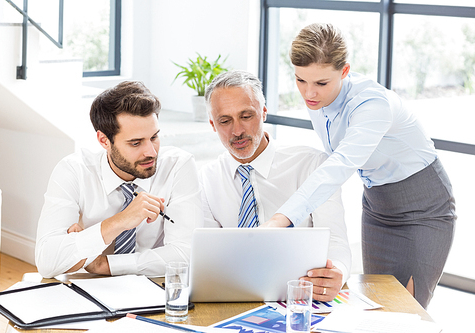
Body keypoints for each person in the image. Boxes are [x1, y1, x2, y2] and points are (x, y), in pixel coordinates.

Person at [263, 23, 456, 308]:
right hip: (378, 206)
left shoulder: (372, 104)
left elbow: (340, 165)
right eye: (300, 80)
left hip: (423, 208)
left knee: (405, 309)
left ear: (344, 71)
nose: (309, 93)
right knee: (377, 306)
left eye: (320, 83)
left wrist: (280, 220)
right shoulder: (317, 96)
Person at [200, 70, 352, 302]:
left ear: (264, 113)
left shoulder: (312, 164)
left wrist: (337, 273)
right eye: (225, 121)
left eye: (246, 116)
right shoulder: (207, 179)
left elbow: (336, 240)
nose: (237, 131)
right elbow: (208, 258)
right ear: (212, 124)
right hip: (233, 297)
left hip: (300, 296)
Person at [35, 81, 203, 278]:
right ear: (104, 140)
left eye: (154, 137)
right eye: (136, 143)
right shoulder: (74, 171)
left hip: (154, 289)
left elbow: (187, 256)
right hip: (88, 288)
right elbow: (47, 262)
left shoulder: (178, 166)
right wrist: (118, 222)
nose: (151, 152)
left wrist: (105, 264)